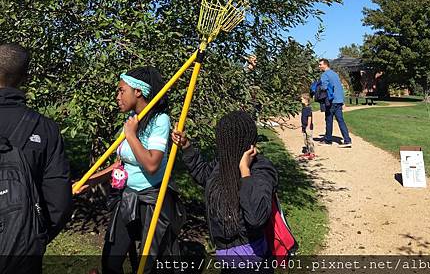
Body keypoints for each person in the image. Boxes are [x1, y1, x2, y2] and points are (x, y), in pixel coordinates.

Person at [75, 66, 185, 274]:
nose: (117, 96)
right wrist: (88, 182)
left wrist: (132, 135)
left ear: (138, 92)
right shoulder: (131, 121)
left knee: (149, 266)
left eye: (121, 90)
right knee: (111, 261)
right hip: (127, 198)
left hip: (152, 202)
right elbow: (119, 165)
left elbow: (152, 165)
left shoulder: (159, 121)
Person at [172, 110, 277, 267]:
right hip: (224, 255)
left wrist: (245, 171)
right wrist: (186, 146)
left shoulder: (260, 169)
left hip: (252, 258)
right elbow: (202, 174)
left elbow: (256, 217)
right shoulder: (223, 164)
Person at [0, 43, 72, 272]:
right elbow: (58, 202)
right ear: (26, 78)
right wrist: (35, 238)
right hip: (22, 250)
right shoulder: (45, 129)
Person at [318, 58, 352, 147]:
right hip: (339, 100)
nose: (319, 66)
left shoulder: (324, 75)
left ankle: (328, 140)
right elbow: (339, 88)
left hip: (331, 101)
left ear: (325, 65)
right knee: (340, 120)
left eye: (320, 64)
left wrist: (318, 88)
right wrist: (342, 101)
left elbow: (324, 87)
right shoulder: (335, 74)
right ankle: (347, 140)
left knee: (329, 120)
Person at [299, 94, 315, 159]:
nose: (301, 100)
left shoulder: (308, 108)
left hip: (308, 127)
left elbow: (309, 117)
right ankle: (308, 151)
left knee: (309, 140)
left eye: (302, 99)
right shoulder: (303, 108)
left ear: (306, 100)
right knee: (305, 140)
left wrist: (308, 126)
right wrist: (303, 127)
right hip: (304, 126)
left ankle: (312, 152)